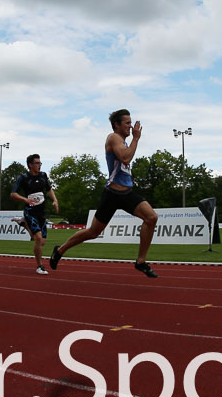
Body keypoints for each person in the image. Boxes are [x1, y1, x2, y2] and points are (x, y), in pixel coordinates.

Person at [49, 109, 160, 278]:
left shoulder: (123, 141)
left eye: (131, 123)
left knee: (151, 217)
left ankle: (140, 262)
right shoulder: (113, 137)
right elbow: (125, 158)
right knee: (93, 233)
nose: (131, 126)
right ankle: (60, 250)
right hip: (112, 194)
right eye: (127, 123)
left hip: (127, 193)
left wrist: (133, 140)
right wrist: (137, 138)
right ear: (117, 125)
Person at [11, 154, 59, 274]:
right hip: (30, 212)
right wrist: (25, 200)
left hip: (42, 213)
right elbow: (13, 194)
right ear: (30, 165)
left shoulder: (43, 175)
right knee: (37, 238)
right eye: (37, 163)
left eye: (40, 163)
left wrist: (55, 200)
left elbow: (49, 189)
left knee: (41, 242)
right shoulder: (23, 178)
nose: (39, 165)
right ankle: (40, 266)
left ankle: (24, 224)